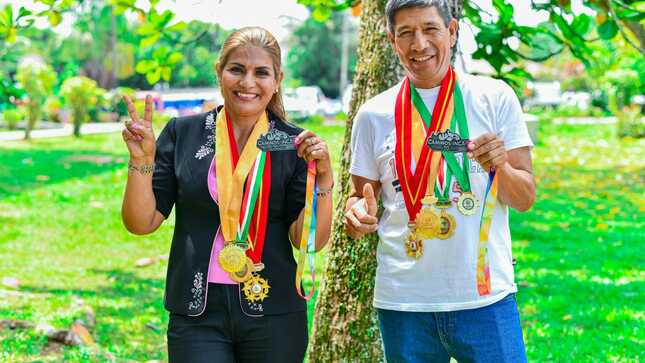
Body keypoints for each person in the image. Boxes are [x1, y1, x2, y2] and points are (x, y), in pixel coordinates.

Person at [121, 27, 333, 363]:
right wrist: (141, 161)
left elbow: (308, 241)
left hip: (274, 310)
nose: (248, 82)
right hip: (196, 312)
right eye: (237, 69)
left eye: (261, 72)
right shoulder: (183, 133)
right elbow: (141, 222)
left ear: (277, 79)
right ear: (220, 72)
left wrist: (323, 180)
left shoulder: (295, 144)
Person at [344, 1, 536, 362]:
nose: (419, 44)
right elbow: (359, 198)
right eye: (406, 33)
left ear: (451, 31)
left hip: (485, 297)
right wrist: (357, 214)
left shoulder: (494, 98)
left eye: (430, 29)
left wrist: (501, 168)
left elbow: (524, 197)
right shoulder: (372, 116)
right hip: (404, 301)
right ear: (391, 40)